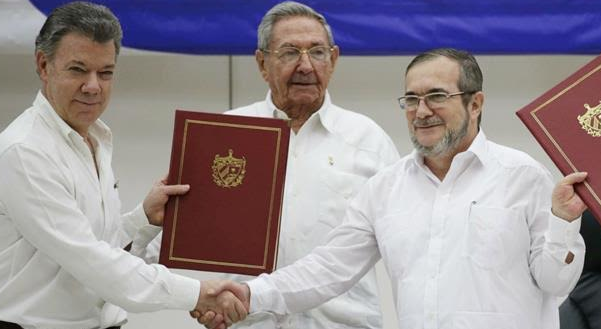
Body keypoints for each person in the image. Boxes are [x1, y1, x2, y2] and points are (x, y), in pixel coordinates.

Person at [199, 48, 588, 329]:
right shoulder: (385, 188)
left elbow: (557, 282)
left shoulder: (524, 176)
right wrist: (252, 295)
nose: (421, 111)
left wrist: (564, 223)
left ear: (475, 104)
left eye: (437, 96)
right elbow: (328, 268)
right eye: (411, 99)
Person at [0, 2, 245, 329]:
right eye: (78, 69)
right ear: (44, 65)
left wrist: (143, 219)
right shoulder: (25, 151)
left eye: (105, 72)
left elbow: (99, 246)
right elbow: (90, 260)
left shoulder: (95, 138)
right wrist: (198, 293)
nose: (93, 86)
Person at [180, 1, 399, 328]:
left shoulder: (369, 141)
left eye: (318, 52)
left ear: (334, 59)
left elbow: (404, 244)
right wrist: (197, 296)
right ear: (262, 63)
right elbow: (176, 237)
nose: (306, 65)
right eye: (289, 52)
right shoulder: (225, 135)